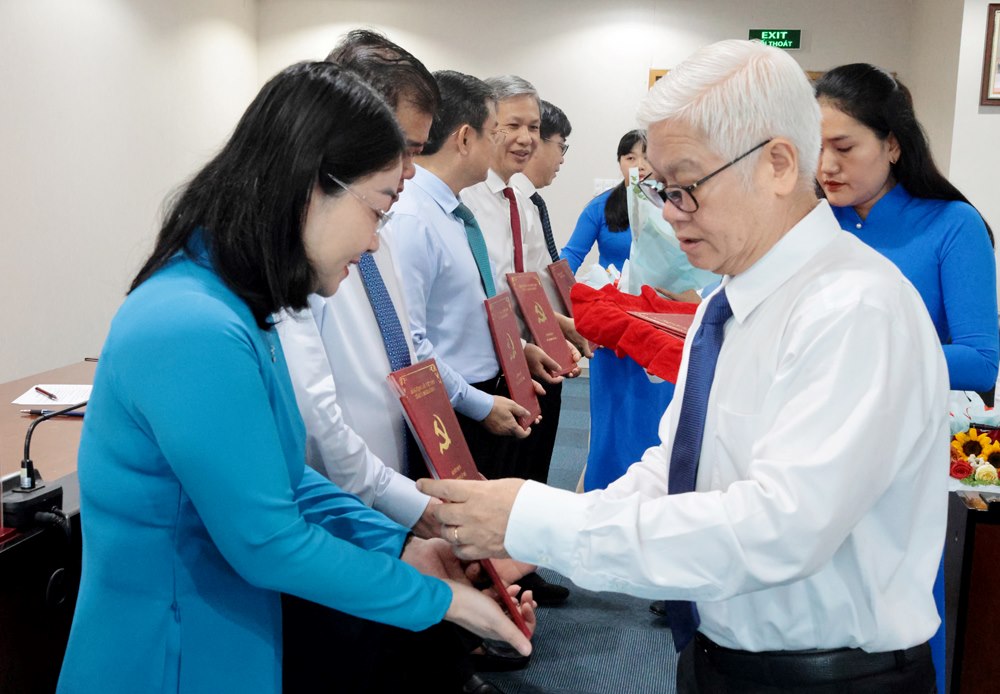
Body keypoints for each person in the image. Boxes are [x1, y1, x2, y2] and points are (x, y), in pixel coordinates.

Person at [419, 39, 949, 693]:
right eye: (660, 189)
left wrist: (536, 518)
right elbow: (675, 474)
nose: (669, 217)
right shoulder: (726, 304)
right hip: (717, 656)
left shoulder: (855, 308)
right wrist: (520, 545)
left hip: (828, 677)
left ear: (780, 164)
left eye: (686, 187)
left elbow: (777, 531)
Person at [56, 61, 531, 694]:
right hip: (169, 648)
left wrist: (397, 547)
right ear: (311, 187)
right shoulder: (191, 322)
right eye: (380, 209)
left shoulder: (235, 303)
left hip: (221, 630)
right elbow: (267, 539)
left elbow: (284, 479)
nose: (372, 245)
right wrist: (441, 600)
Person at [815, 62, 1000, 694]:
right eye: (815, 148)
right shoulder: (816, 227)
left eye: (844, 147)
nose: (827, 165)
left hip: (909, 458)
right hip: (820, 448)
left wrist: (871, 349)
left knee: (902, 614)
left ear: (892, 144)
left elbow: (980, 359)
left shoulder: (952, 226)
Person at [559, 130, 678, 492]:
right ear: (619, 163)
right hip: (613, 328)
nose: (638, 166)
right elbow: (569, 258)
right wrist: (570, 310)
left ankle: (652, 490)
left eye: (646, 157)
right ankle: (604, 486)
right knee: (613, 416)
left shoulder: (673, 206)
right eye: (630, 158)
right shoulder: (601, 207)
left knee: (657, 417)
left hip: (661, 328)